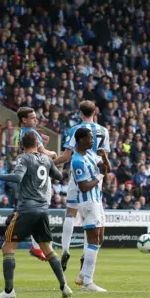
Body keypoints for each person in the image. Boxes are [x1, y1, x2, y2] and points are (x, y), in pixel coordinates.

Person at [0, 131, 72, 298]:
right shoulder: (45, 159)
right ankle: (64, 286)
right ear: (37, 145)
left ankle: (9, 292)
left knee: (8, 248)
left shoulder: (24, 158)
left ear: (22, 145)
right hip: (42, 210)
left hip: (26, 210)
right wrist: (49, 162)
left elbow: (17, 177)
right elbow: (59, 176)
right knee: (48, 249)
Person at [53, 101, 110, 272]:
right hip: (97, 174)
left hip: (80, 171)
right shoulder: (104, 131)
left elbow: (65, 156)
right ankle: (86, 253)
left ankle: (65, 250)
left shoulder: (76, 130)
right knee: (91, 217)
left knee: (71, 212)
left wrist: (47, 163)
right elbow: (104, 156)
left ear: (80, 112)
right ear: (95, 111)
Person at [70, 128, 111, 292]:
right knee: (93, 240)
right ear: (81, 140)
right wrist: (99, 177)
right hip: (88, 203)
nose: (93, 140)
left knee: (99, 239)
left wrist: (105, 157)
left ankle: (83, 275)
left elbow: (106, 169)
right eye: (90, 138)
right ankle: (87, 282)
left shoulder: (91, 155)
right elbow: (84, 186)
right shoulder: (77, 160)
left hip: (97, 202)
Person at [14, 107, 57, 261]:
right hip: (37, 176)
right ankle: (38, 245)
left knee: (39, 209)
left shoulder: (24, 133)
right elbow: (43, 153)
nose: (36, 120)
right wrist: (52, 153)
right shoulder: (29, 134)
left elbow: (37, 150)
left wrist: (43, 144)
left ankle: (39, 245)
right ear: (24, 120)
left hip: (32, 174)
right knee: (40, 207)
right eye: (32, 118)